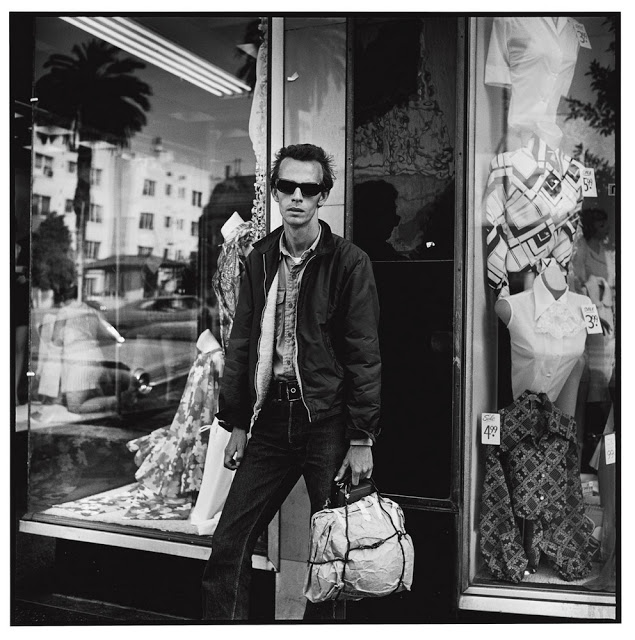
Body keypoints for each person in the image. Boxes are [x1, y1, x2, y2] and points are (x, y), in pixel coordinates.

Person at [201, 143, 381, 621]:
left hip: (328, 423)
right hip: (271, 420)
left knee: (335, 552)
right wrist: (237, 423)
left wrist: (362, 437)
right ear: (276, 192)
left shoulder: (349, 262)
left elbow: (364, 355)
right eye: (288, 186)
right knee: (230, 543)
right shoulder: (260, 258)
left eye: (309, 188)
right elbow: (241, 344)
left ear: (323, 196)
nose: (297, 196)